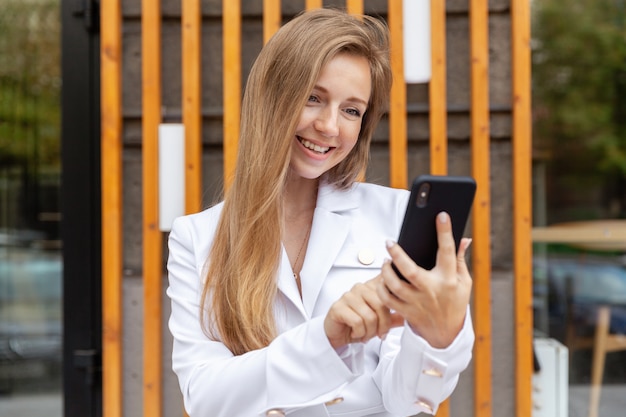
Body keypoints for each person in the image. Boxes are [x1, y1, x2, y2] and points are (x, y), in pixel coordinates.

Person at [166, 8, 474, 417]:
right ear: (271, 96)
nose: (330, 127)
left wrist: (436, 336)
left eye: (351, 110)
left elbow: (408, 401)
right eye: (313, 98)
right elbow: (205, 398)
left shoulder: (396, 216)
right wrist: (325, 339)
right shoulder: (196, 237)